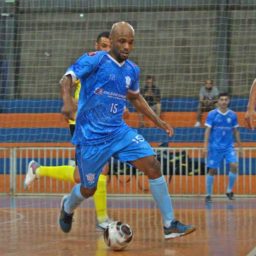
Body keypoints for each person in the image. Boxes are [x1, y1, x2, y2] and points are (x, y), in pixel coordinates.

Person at [58, 21, 196, 239]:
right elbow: (67, 78)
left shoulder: (132, 69)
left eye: (131, 42)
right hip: (91, 137)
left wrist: (158, 121)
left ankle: (170, 224)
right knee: (88, 189)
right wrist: (67, 102)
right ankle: (67, 206)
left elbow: (136, 98)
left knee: (153, 165)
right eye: (122, 41)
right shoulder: (95, 59)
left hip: (119, 132)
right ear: (111, 41)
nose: (127, 46)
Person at [24, 31, 112, 230]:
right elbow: (66, 80)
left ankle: (38, 170)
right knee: (101, 170)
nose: (106, 49)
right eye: (103, 45)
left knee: (85, 175)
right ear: (96, 46)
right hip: (83, 125)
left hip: (101, 125)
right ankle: (102, 220)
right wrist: (69, 103)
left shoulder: (112, 69)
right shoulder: (88, 64)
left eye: (109, 46)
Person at [203, 92, 241, 203]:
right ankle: (208, 194)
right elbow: (207, 131)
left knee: (234, 165)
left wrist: (240, 145)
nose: (224, 101)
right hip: (215, 147)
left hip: (229, 147)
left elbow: (236, 131)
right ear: (218, 101)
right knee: (212, 170)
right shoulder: (212, 114)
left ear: (228, 101)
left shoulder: (233, 115)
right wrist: (205, 146)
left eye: (226, 99)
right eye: (222, 99)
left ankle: (229, 191)